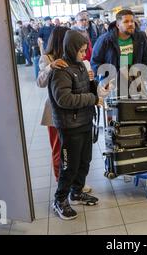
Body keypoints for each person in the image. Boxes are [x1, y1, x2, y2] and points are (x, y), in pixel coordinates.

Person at [49, 30, 102, 220]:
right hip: (70, 126)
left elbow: (86, 88)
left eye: (85, 50)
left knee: (84, 161)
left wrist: (95, 87)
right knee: (69, 166)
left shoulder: (80, 66)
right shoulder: (60, 70)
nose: (83, 54)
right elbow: (64, 99)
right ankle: (60, 200)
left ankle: (77, 192)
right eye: (81, 50)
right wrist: (92, 98)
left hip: (85, 121)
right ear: (71, 49)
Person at [36, 27, 93, 194]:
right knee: (60, 151)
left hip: (78, 113)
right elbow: (40, 82)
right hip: (56, 111)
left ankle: (76, 185)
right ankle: (62, 184)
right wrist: (50, 67)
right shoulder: (48, 58)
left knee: (80, 154)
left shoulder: (78, 60)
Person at [91, 9, 147, 80]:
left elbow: (146, 57)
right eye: (126, 22)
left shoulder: (141, 37)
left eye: (132, 21)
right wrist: (105, 79)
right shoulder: (105, 39)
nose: (130, 24)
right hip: (114, 83)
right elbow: (95, 62)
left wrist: (144, 75)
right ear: (118, 25)